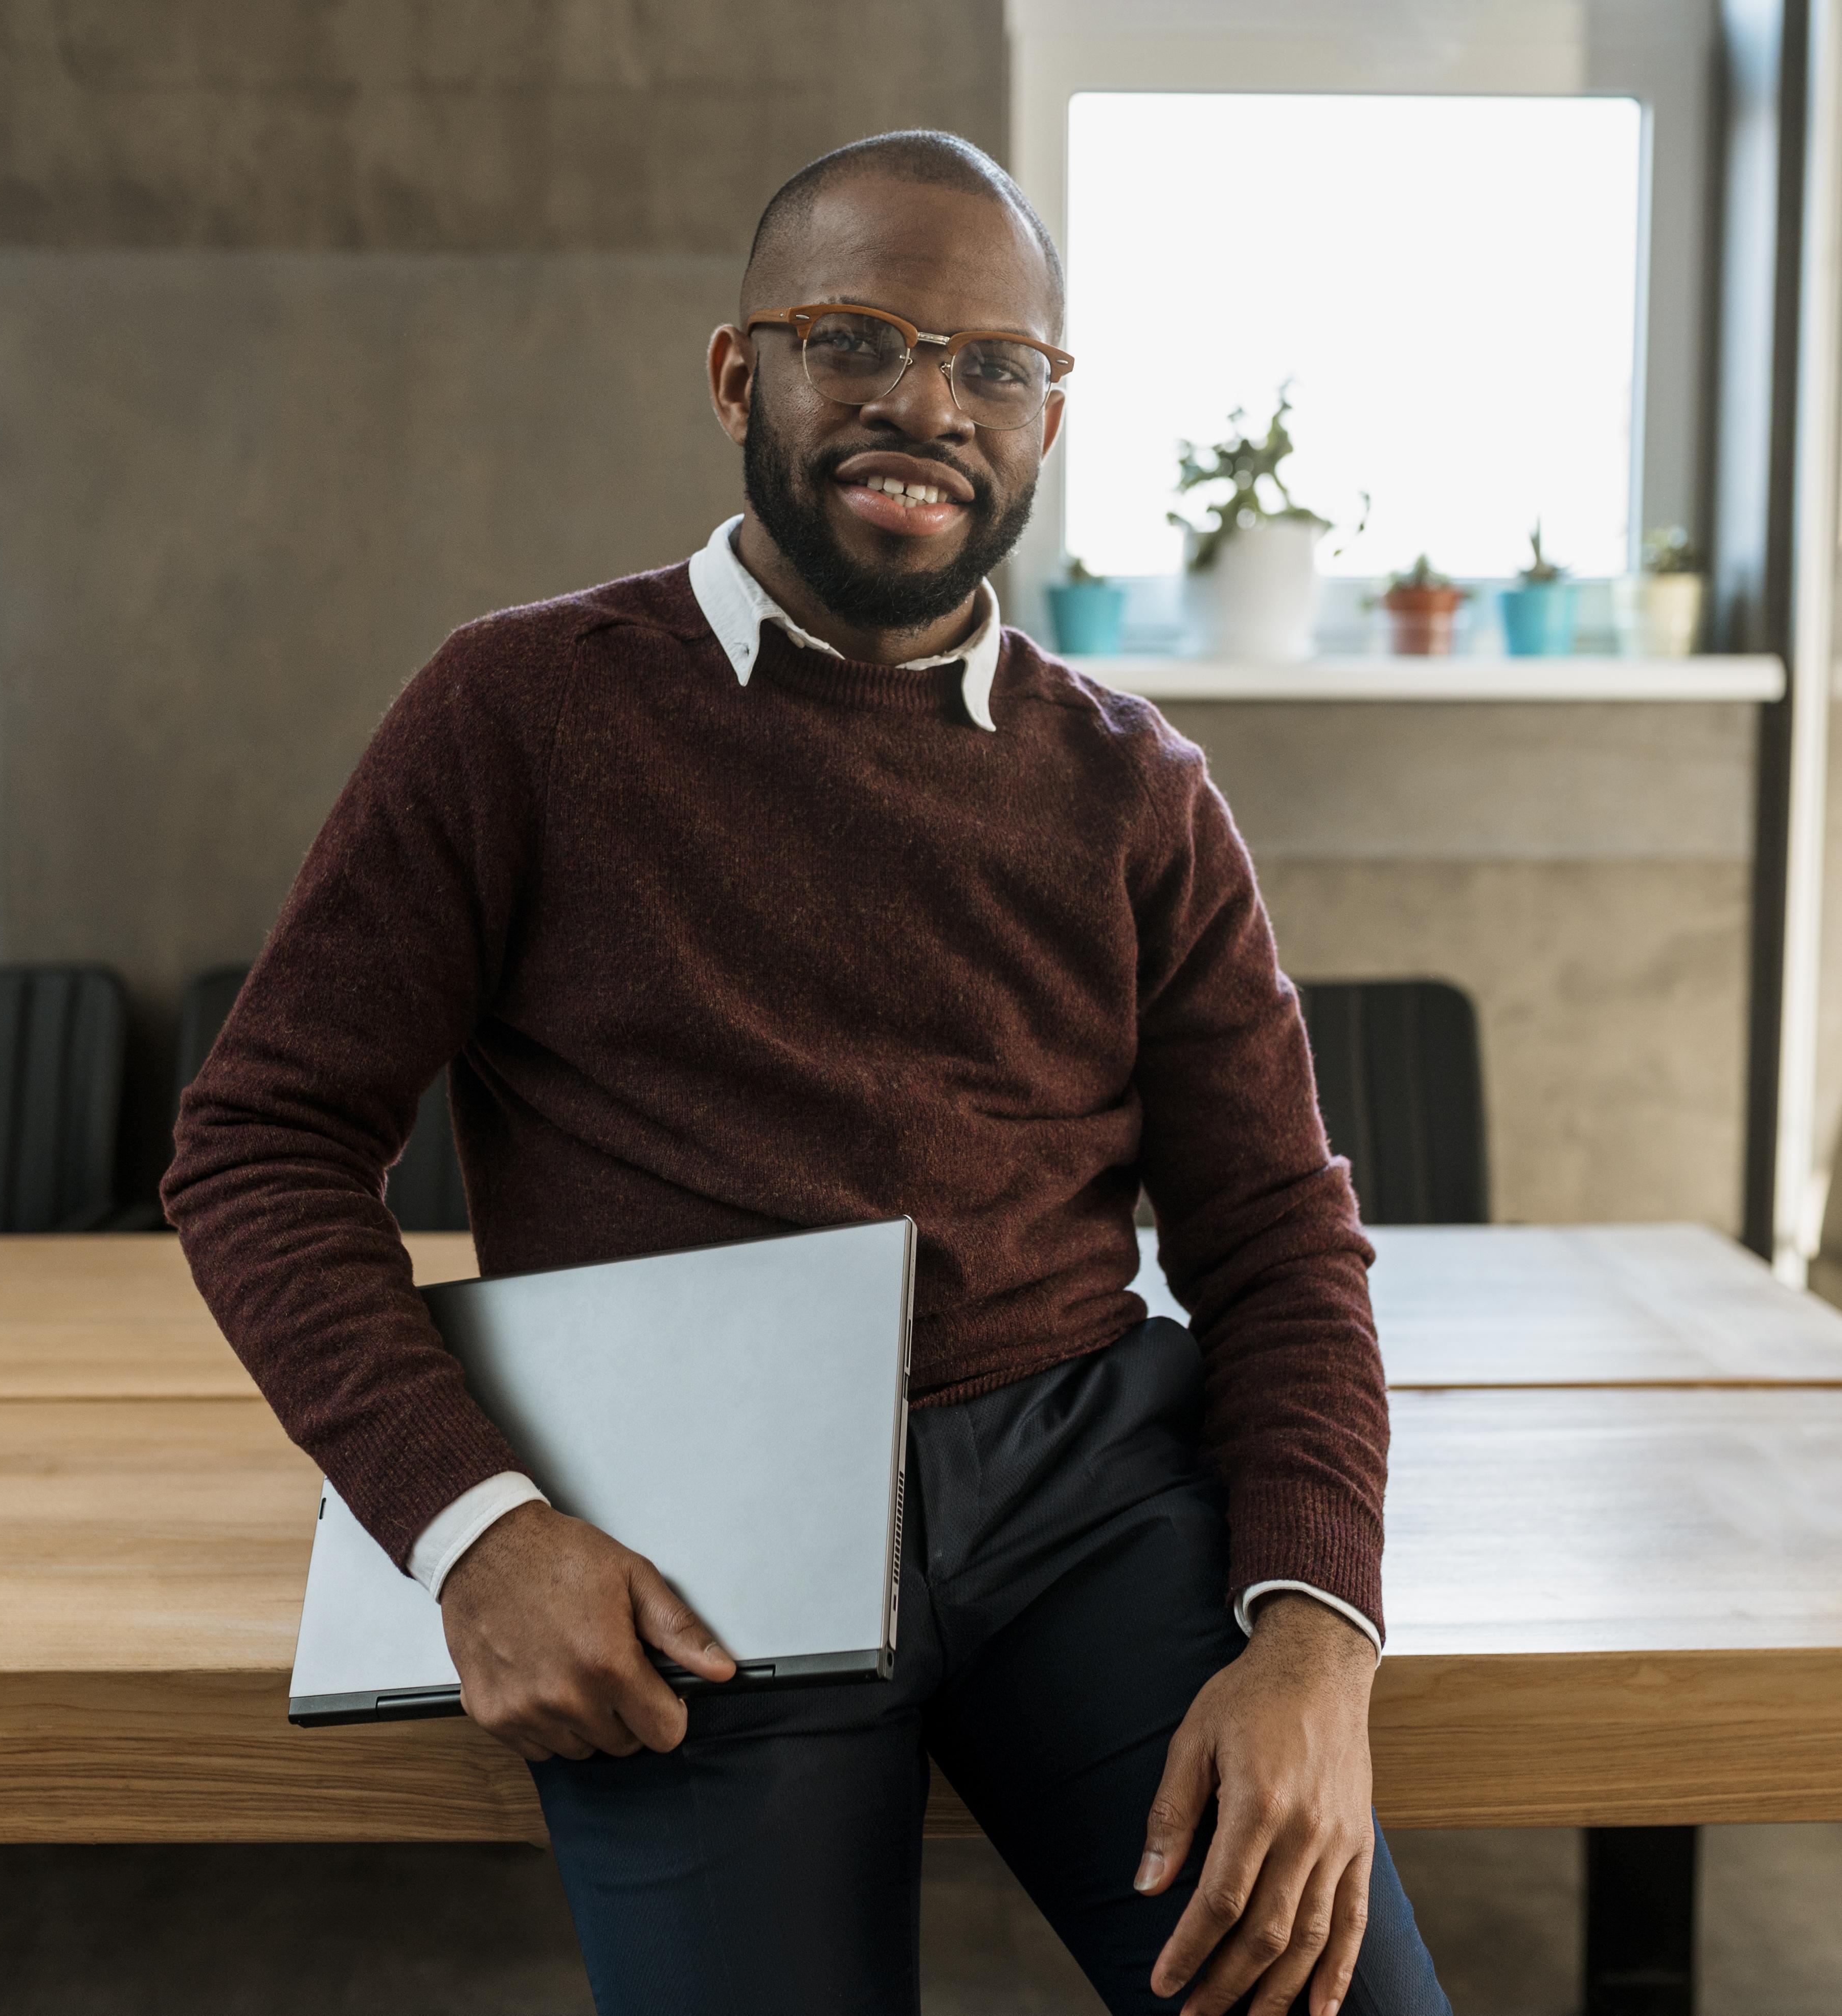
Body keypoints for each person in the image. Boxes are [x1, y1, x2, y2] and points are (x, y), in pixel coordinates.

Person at [164, 130, 1450, 2016]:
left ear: (1046, 416)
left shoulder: (1133, 784)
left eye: (994, 365)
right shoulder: (515, 711)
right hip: (685, 1518)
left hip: (1083, 1486)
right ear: (736, 374)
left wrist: (1317, 1634)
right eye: (856, 338)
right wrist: (473, 1530)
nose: (926, 404)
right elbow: (257, 1145)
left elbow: (1275, 1233)